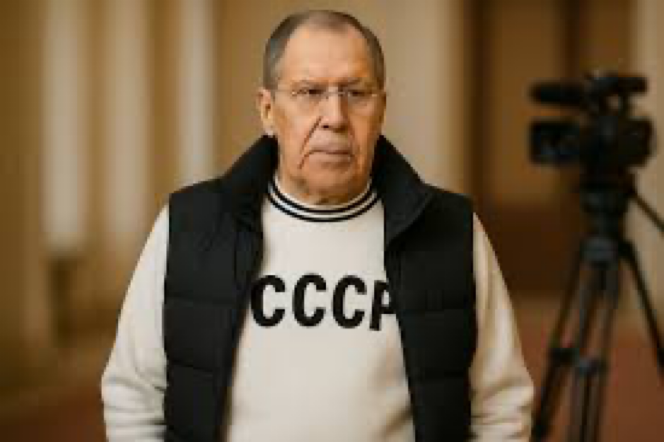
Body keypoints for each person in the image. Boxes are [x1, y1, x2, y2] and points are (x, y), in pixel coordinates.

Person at [101, 9, 533, 442]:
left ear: (381, 110)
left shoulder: (451, 231)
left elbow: (501, 408)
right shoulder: (190, 226)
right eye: (309, 92)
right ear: (268, 111)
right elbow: (134, 398)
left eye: (356, 93)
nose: (336, 117)